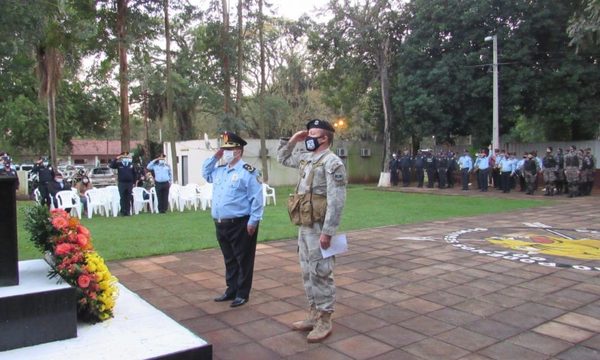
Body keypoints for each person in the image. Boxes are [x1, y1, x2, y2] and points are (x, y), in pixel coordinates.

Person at [277, 119, 347, 343]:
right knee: (307, 271)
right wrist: (292, 141)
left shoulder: (332, 163)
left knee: (321, 272)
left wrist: (328, 232)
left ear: (324, 138)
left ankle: (325, 320)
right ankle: (314, 314)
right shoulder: (306, 158)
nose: (308, 138)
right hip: (304, 225)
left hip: (319, 228)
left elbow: (337, 200)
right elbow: (282, 158)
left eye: (312, 134)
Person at [202, 131, 263, 308]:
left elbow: (257, 198)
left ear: (239, 151)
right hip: (221, 223)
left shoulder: (248, 172)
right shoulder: (220, 171)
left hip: (241, 223)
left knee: (243, 259)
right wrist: (216, 155)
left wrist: (254, 221)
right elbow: (205, 172)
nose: (225, 152)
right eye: (224, 149)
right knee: (229, 258)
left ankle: (242, 293)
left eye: (229, 149)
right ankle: (231, 289)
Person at [109, 152, 137, 216]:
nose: (125, 158)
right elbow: (111, 165)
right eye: (124, 157)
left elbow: (134, 174)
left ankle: (128, 211)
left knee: (128, 197)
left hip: (129, 183)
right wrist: (117, 158)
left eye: (126, 157)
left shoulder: (131, 164)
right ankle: (123, 211)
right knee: (122, 197)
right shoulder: (119, 164)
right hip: (122, 183)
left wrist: (134, 182)